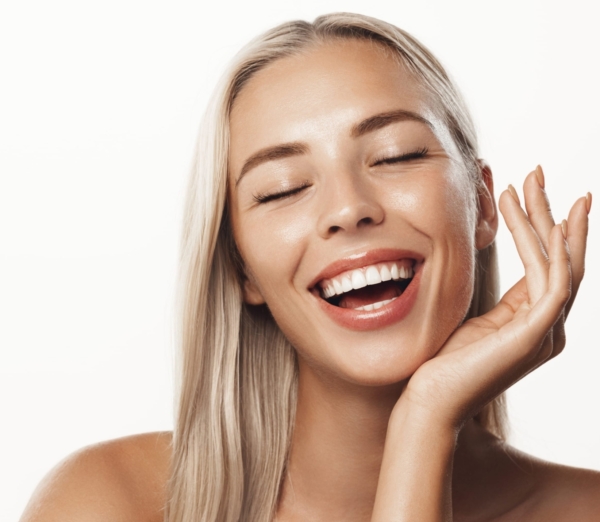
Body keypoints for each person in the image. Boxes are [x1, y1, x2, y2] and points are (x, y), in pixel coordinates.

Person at [20, 12, 599, 522]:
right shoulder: (107, 503)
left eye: (396, 155)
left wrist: (426, 419)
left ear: (479, 204)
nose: (348, 208)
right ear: (241, 269)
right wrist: (424, 427)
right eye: (282, 189)